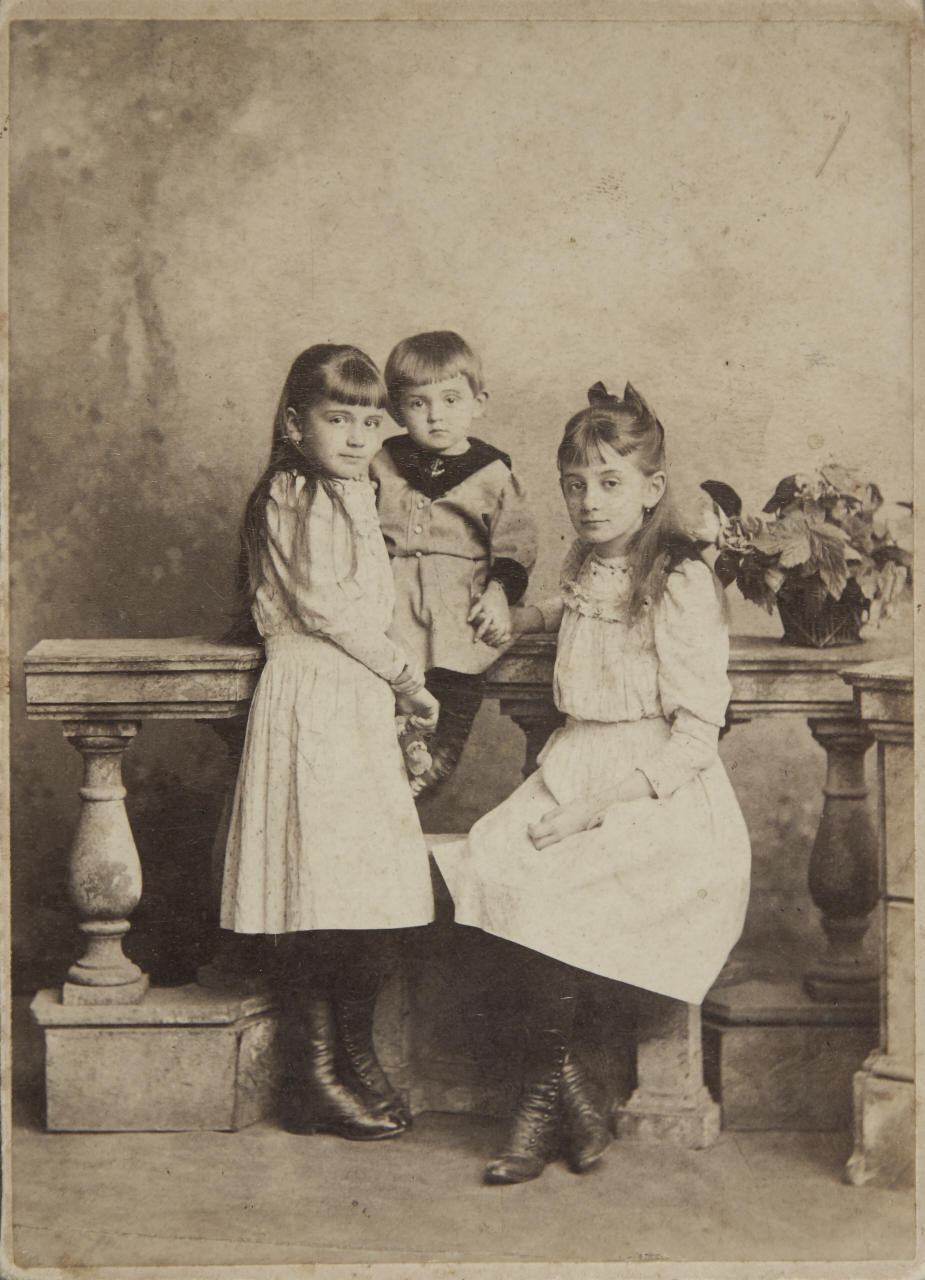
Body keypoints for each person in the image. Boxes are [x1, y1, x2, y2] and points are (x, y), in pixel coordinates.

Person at [434, 380, 751, 1183]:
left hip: (650, 790)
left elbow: (694, 737)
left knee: (547, 889)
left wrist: (591, 811)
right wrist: (519, 617)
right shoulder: (585, 559)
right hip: (572, 761)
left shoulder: (677, 581)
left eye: (609, 483)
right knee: (490, 860)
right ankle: (563, 1092)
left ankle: (538, 1108)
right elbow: (573, 605)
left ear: (651, 491)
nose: (588, 501)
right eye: (574, 484)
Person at [221, 345, 439, 1141]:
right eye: (334, 418)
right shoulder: (294, 491)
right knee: (318, 895)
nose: (354, 435)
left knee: (365, 894)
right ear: (293, 423)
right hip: (314, 693)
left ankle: (354, 1054)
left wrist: (385, 687)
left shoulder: (351, 488)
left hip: (352, 698)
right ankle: (311, 1075)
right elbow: (326, 610)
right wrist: (407, 678)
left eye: (367, 420)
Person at [370, 330, 537, 799]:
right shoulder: (382, 462)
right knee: (388, 710)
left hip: (458, 609)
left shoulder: (492, 471)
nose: (436, 414)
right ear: (396, 410)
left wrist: (500, 594)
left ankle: (431, 768)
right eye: (418, 403)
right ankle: (397, 773)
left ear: (478, 402)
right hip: (393, 605)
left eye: (450, 399)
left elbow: (516, 542)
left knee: (456, 690)